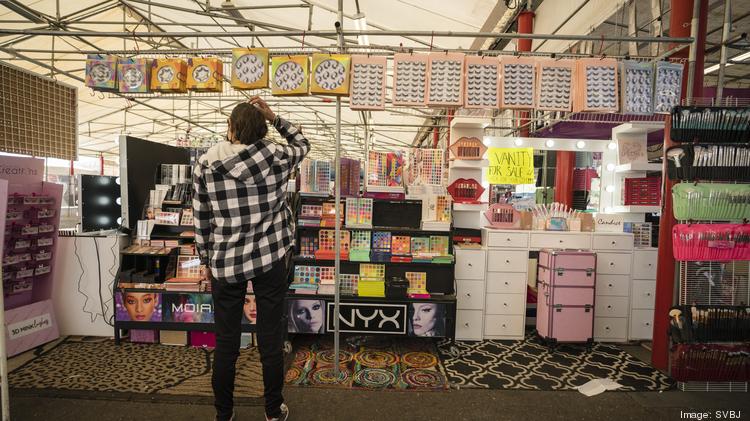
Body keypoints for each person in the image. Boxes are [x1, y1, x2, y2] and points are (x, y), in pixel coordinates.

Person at [194, 96, 309, 421]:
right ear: (262, 128)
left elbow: (201, 215)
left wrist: (206, 257)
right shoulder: (276, 155)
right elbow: (302, 143)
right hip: (269, 255)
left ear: (230, 127)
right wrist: (275, 117)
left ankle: (224, 414)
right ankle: (273, 411)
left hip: (226, 260)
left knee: (226, 341)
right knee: (271, 338)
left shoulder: (206, 163)